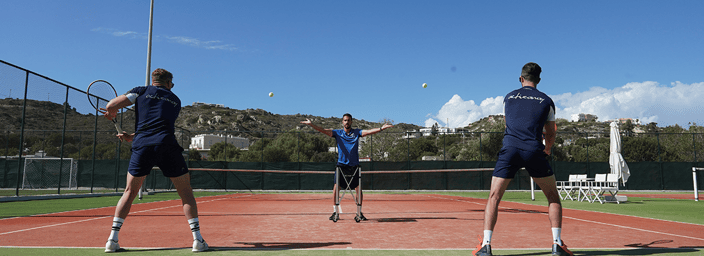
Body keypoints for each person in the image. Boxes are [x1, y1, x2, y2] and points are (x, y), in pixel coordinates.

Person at [101, 68, 208, 253]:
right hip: (167, 145)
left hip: (142, 146)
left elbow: (111, 106)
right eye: (172, 84)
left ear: (153, 81)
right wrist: (133, 135)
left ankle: (112, 240)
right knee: (186, 193)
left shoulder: (141, 91)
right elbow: (160, 126)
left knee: (129, 191)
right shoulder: (175, 100)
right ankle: (198, 240)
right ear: (167, 83)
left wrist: (112, 115)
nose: (172, 87)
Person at [473, 63, 572, 256]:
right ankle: (557, 244)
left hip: (510, 149)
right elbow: (551, 133)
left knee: (494, 197)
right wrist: (548, 149)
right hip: (534, 150)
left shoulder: (508, 97)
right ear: (539, 80)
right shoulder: (547, 101)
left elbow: (508, 124)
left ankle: (486, 245)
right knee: (553, 197)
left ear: (521, 78)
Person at [301, 113, 393, 221]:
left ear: (351, 122)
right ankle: (335, 212)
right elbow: (323, 130)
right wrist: (312, 125)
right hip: (341, 166)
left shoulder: (357, 132)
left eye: (348, 120)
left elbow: (368, 132)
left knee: (358, 189)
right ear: (342, 122)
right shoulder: (337, 133)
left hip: (354, 166)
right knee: (336, 187)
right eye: (345, 120)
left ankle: (359, 213)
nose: (347, 122)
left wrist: (381, 128)